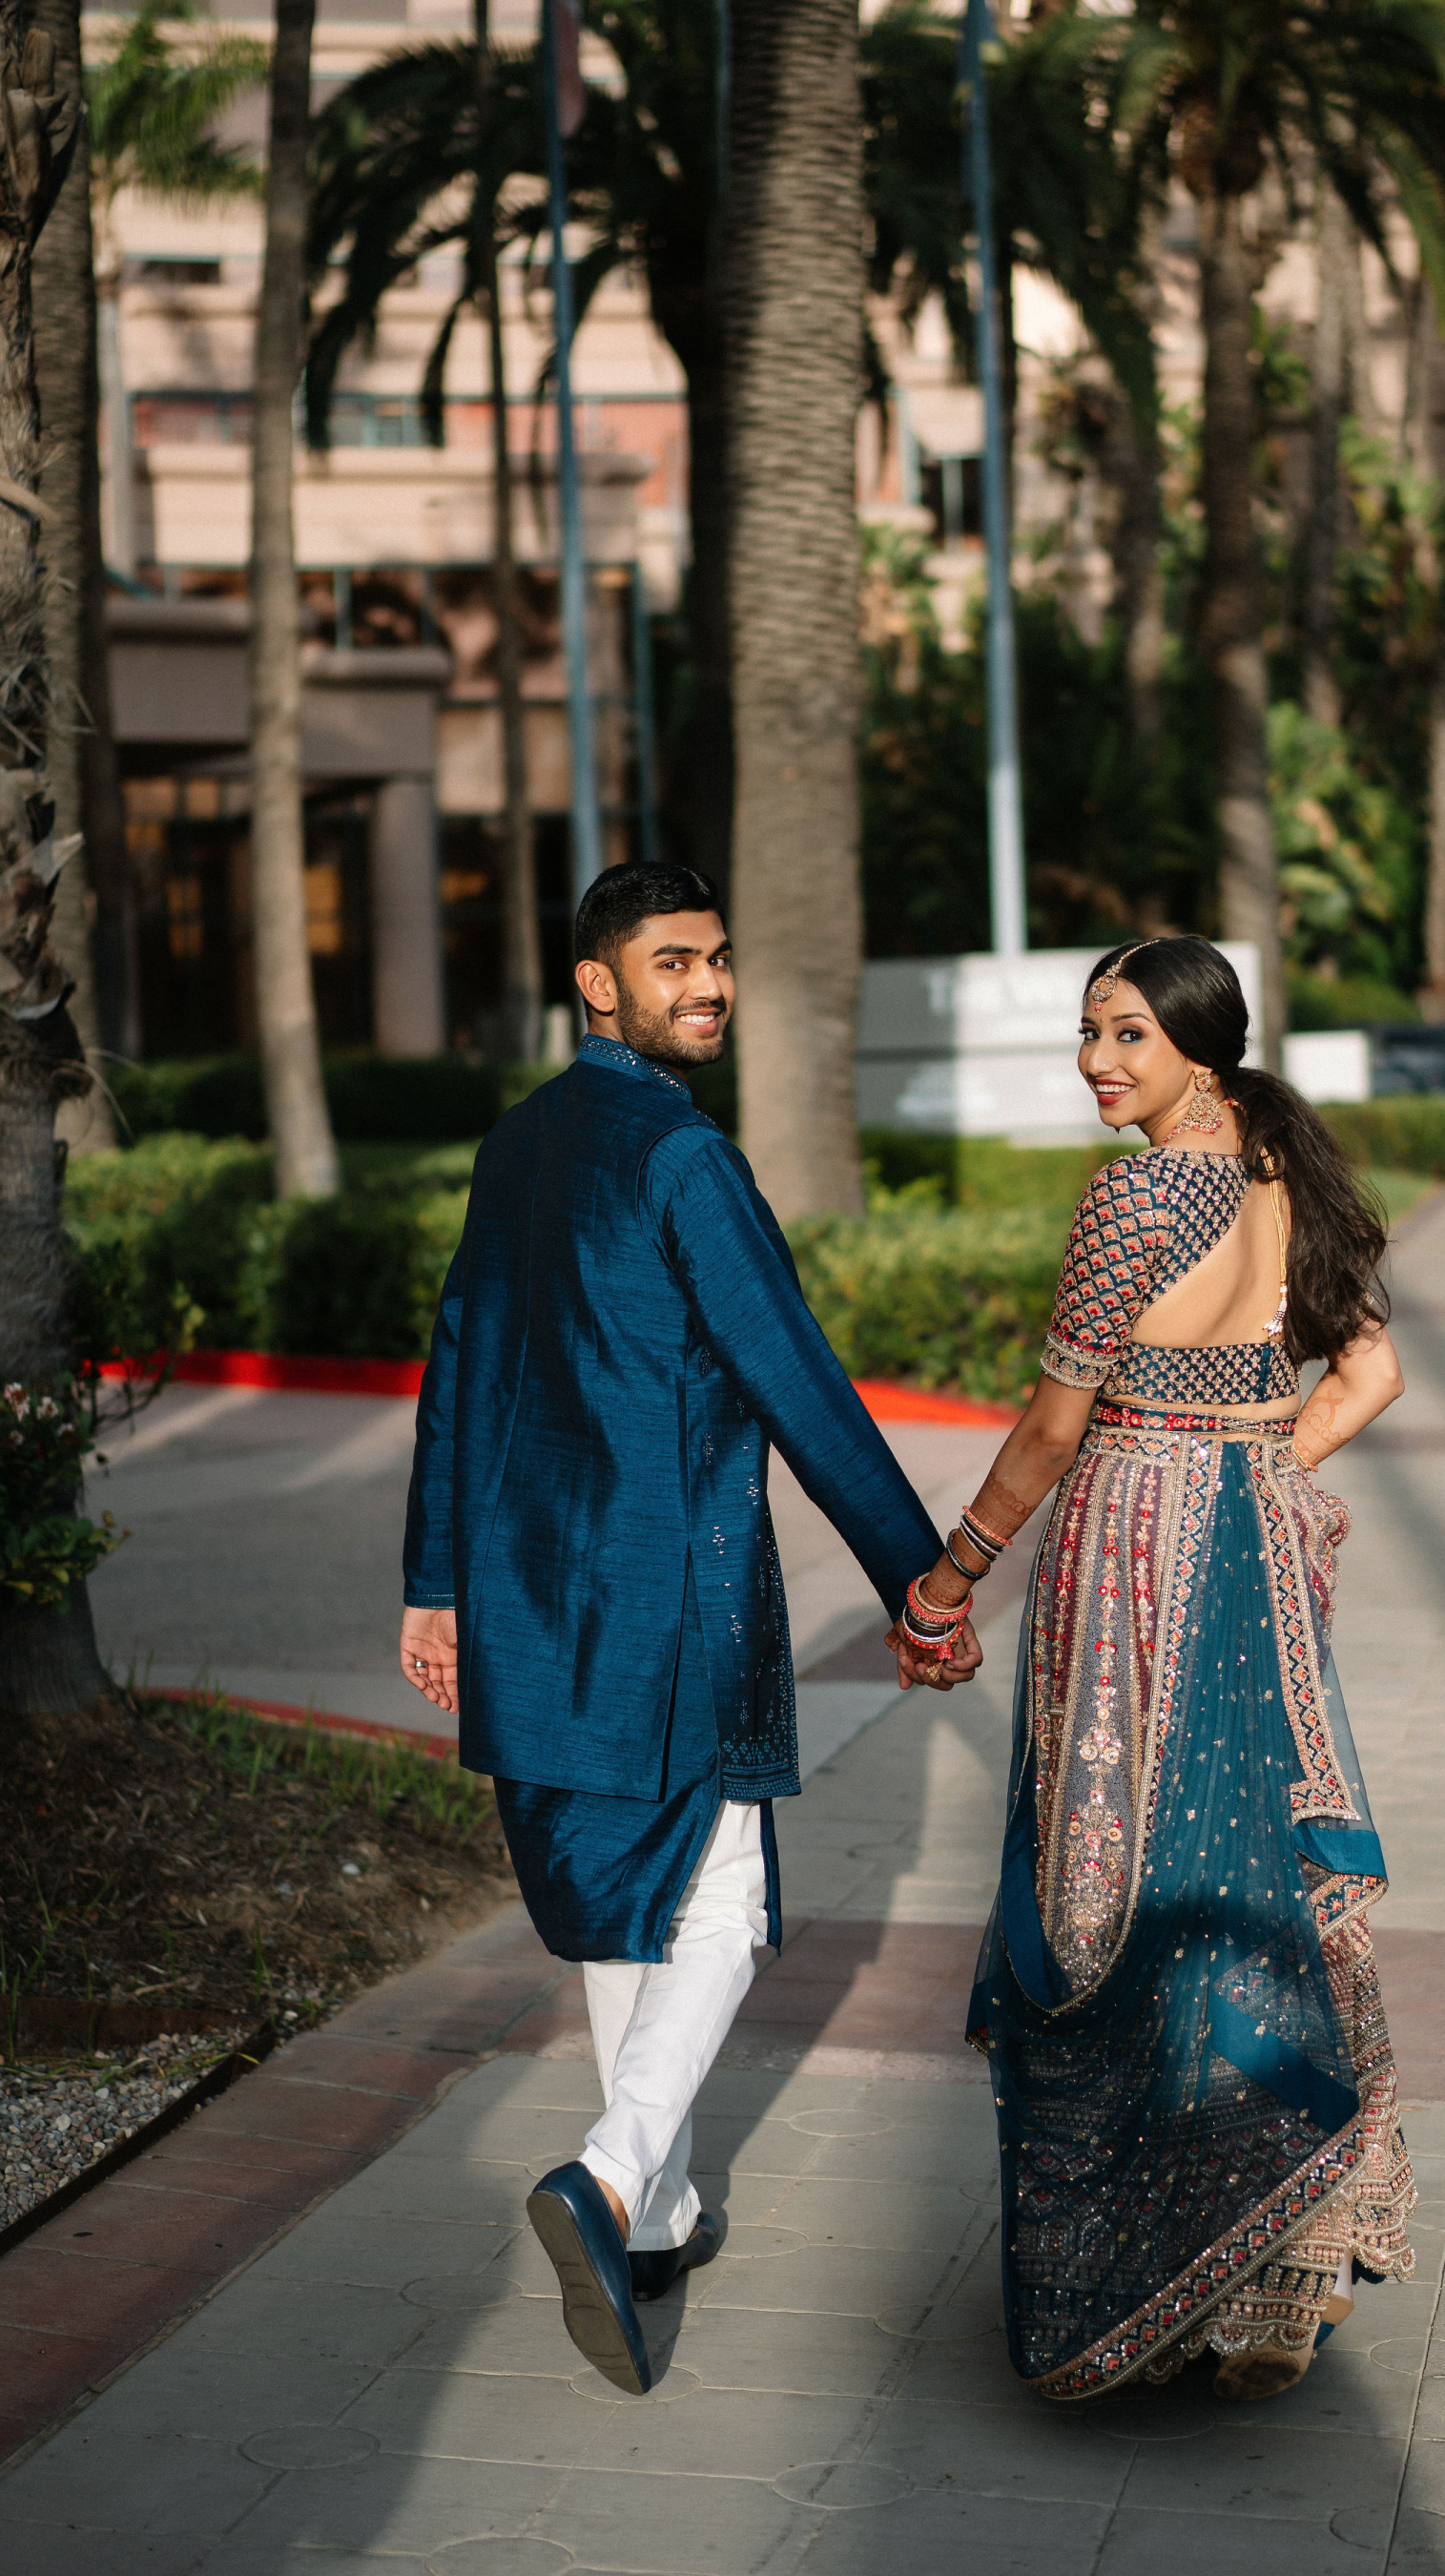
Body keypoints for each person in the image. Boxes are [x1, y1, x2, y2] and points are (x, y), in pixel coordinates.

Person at [400, 859, 962, 2399]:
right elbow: (795, 1380)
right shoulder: (683, 1161)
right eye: (675, 962)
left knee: (612, 1896)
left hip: (531, 1588)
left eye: (718, 958)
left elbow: (458, 1361)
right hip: (669, 1594)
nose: (709, 984)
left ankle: (662, 2211)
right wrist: (922, 1572)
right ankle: (610, 2169)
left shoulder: (514, 1149)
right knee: (716, 1898)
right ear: (599, 982)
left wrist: (434, 1577)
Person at [888, 936, 1416, 2403]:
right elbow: (1367, 1374)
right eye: (1087, 1032)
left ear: (1198, 1044)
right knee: (1258, 1885)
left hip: (1137, 1563)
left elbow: (1053, 1433)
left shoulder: (1140, 1193)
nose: (1097, 1062)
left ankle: (1141, 2291)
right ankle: (1272, 2281)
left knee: (1105, 1905)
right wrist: (1257, 1464)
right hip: (1249, 1547)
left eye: (1127, 1034)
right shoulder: (1283, 1167)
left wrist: (947, 1580)